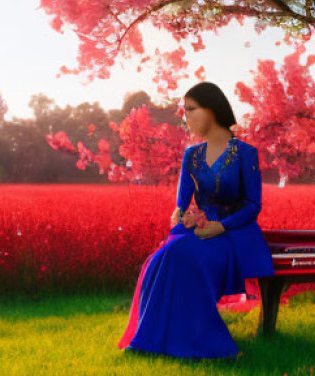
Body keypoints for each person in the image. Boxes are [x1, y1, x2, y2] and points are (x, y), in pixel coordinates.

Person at [118, 81, 275, 359]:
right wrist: (182, 217)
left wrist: (220, 226)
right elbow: (180, 205)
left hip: (233, 235)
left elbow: (253, 206)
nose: (185, 117)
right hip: (199, 232)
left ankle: (204, 341)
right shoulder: (191, 156)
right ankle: (151, 340)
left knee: (179, 254)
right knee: (161, 258)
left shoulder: (246, 155)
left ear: (212, 110)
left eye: (191, 109)